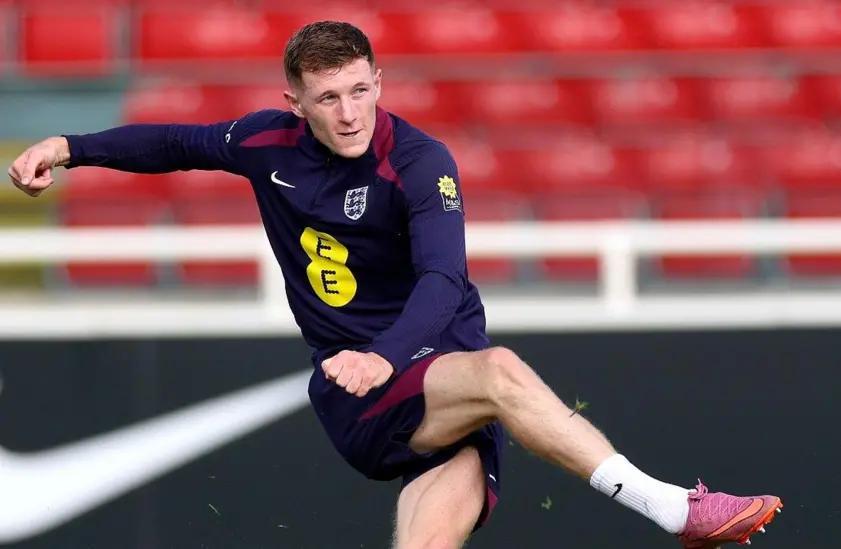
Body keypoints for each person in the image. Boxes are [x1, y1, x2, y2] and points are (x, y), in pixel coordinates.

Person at [6, 21, 782, 549]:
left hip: (437, 390)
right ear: (295, 103)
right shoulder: (265, 142)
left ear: (379, 80)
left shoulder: (418, 161)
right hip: (362, 391)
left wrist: (388, 352)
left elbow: (445, 280)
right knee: (502, 370)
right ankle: (672, 508)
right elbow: (174, 141)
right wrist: (68, 146)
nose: (349, 113)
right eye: (328, 97)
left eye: (360, 90)